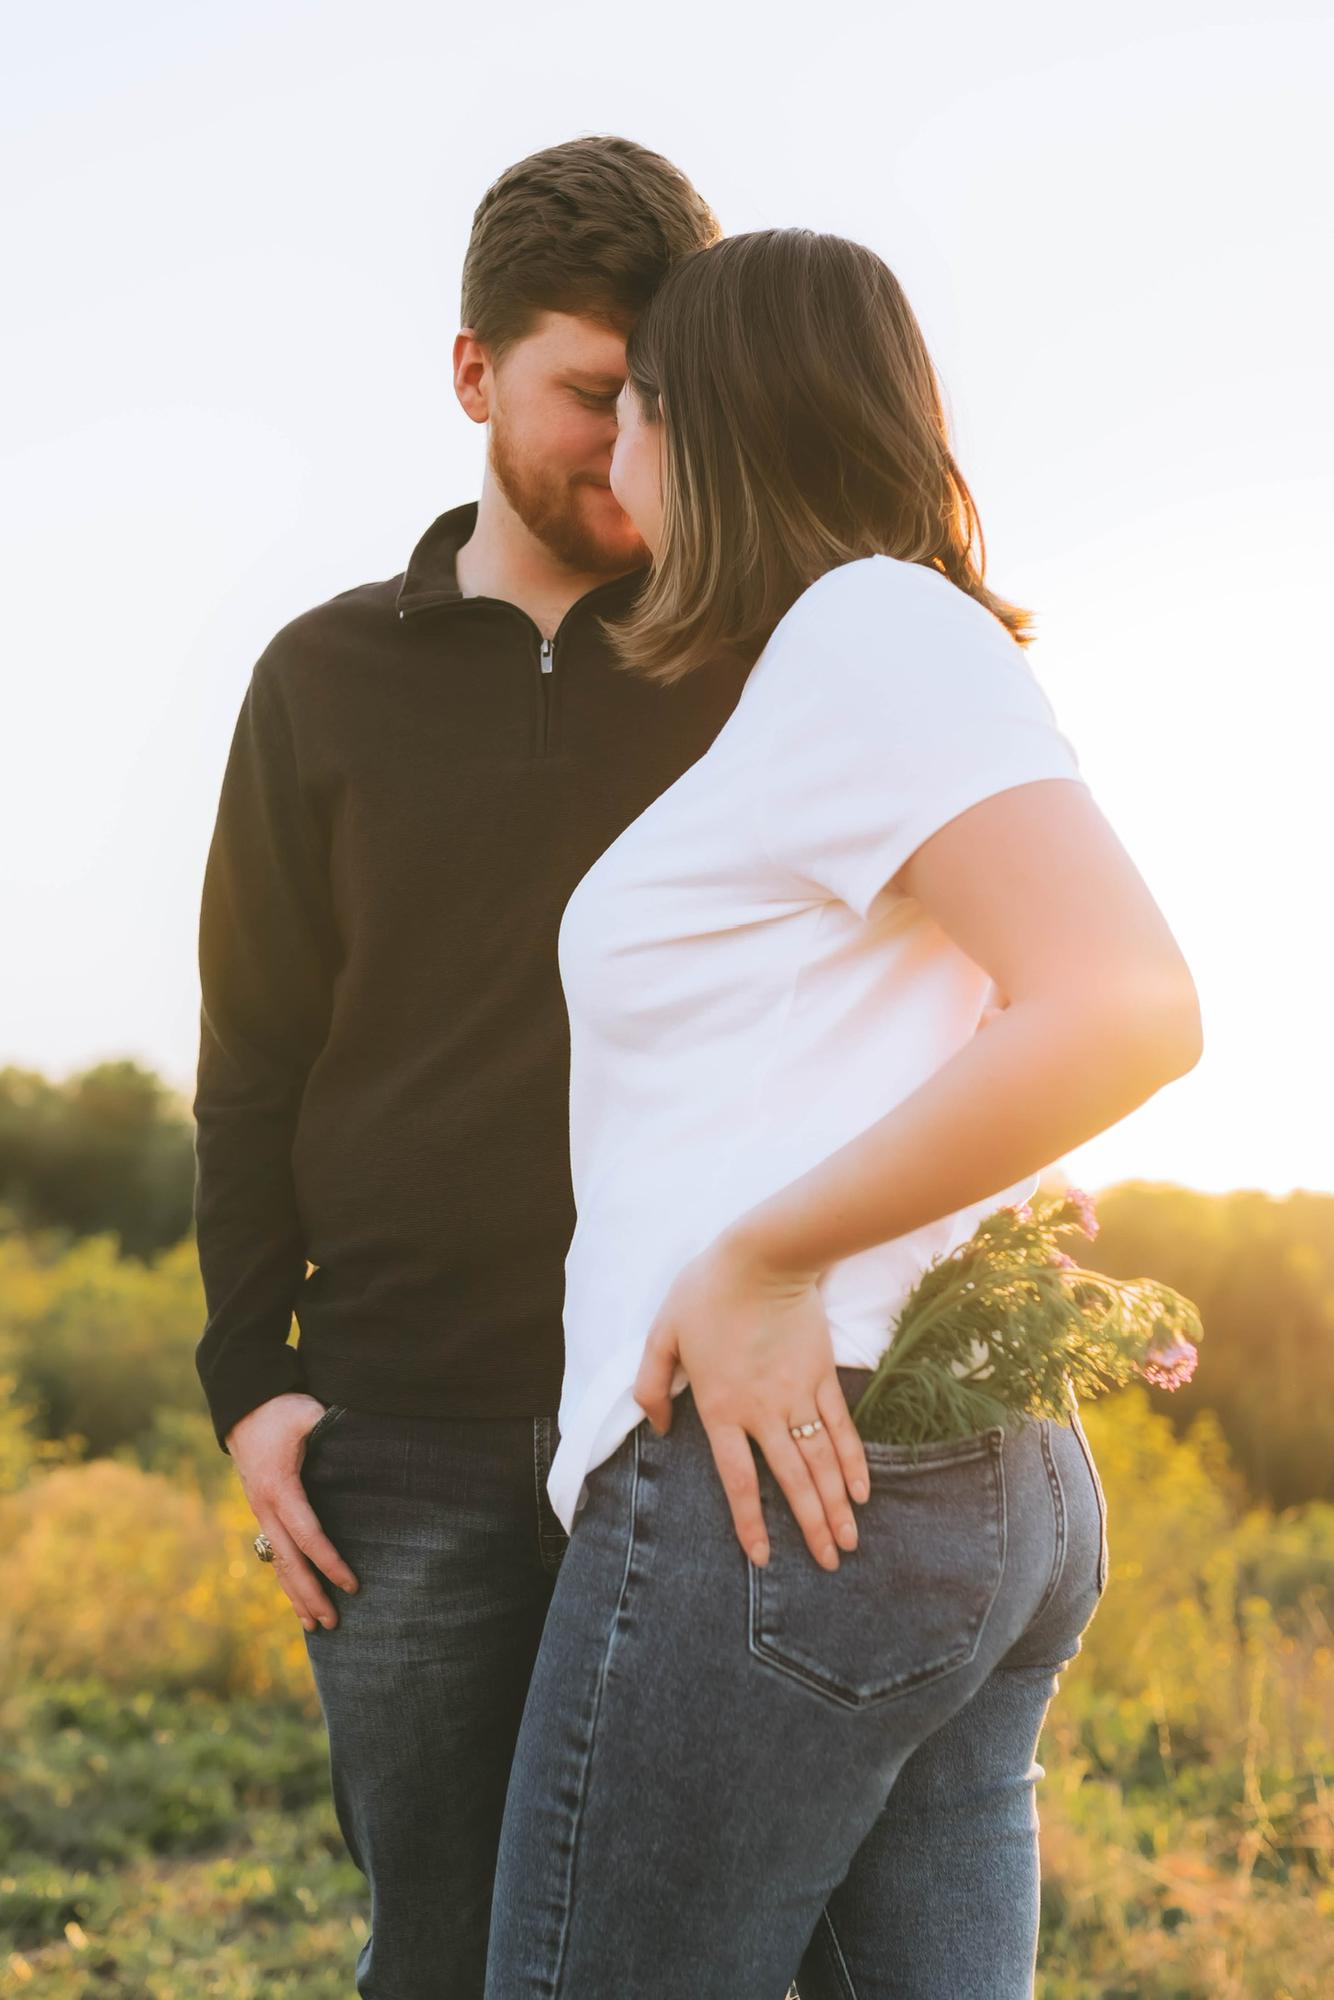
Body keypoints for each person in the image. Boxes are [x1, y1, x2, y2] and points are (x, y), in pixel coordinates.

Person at [482, 230, 1204, 2000]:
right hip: (910, 1473)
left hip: (783, 1487)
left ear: (699, 421)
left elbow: (1124, 1002)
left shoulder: (869, 632)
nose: (613, 453)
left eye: (632, 407)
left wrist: (763, 1259)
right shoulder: (867, 656)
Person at [190, 136, 754, 1999]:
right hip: (401, 1433)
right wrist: (250, 1383)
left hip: (678, 1427)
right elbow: (253, 1056)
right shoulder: (320, 677)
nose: (633, 442)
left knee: (687, 1957)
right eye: (593, 392)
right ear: (471, 375)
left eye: (666, 399)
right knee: (434, 1956)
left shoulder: (750, 662)